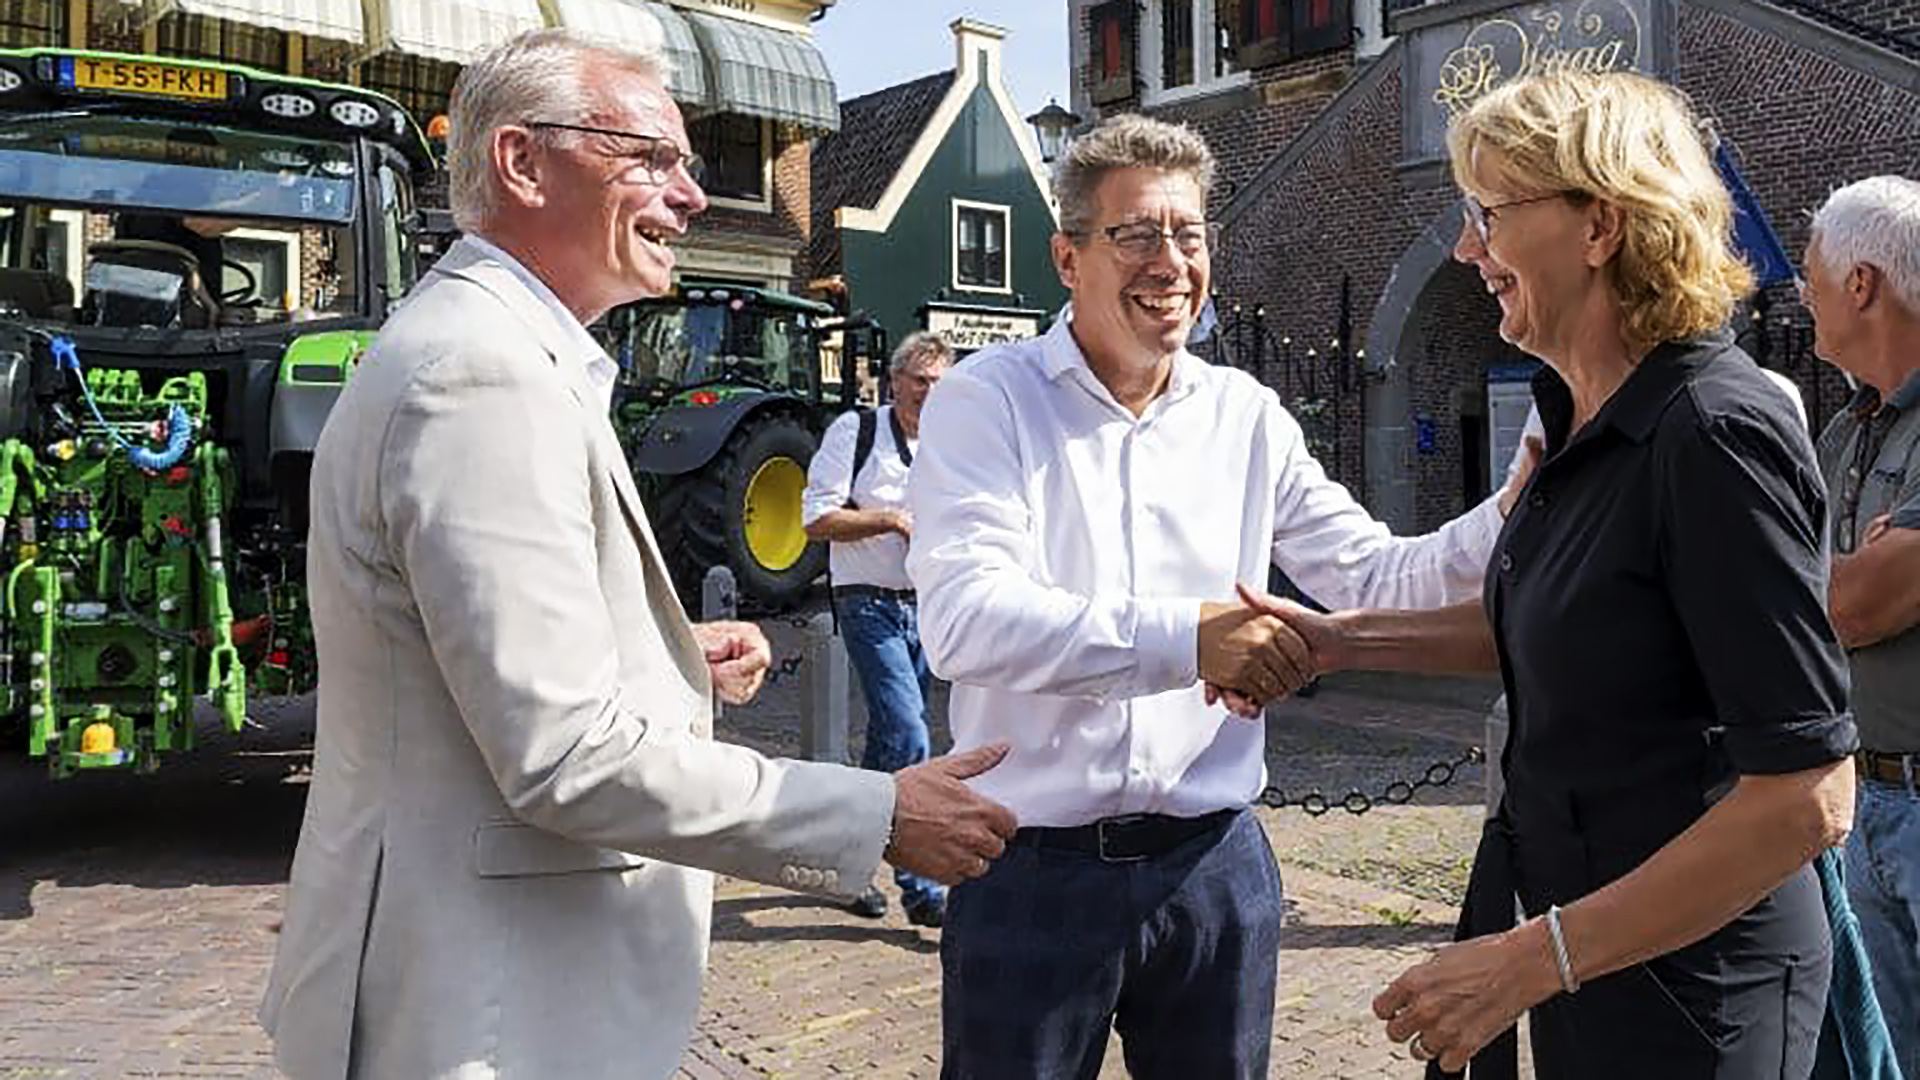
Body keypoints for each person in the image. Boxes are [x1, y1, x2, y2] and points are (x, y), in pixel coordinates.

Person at [257, 27, 1017, 1080]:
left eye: (693, 167)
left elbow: (454, 667)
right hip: (488, 1013)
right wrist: (879, 813)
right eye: (651, 158)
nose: (692, 196)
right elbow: (567, 760)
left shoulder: (493, 356)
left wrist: (652, 653)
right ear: (522, 163)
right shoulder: (481, 380)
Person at [1239, 71, 1857, 1078]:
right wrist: (1337, 642)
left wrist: (1532, 960)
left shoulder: (1712, 432)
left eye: (1488, 212)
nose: (1466, 248)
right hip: (1593, 955)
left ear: (1601, 223)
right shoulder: (1579, 420)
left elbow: (1806, 797)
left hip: (1696, 991)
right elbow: (1552, 619)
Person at [906, 113, 1534, 1080]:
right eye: (1137, 235)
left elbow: (1374, 574)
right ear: (1066, 258)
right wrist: (1196, 639)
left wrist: (1519, 501)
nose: (1170, 262)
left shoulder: (1244, 413)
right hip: (1030, 867)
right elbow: (968, 619)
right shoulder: (987, 400)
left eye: (1190, 235)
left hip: (1213, 865)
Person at [1802, 174, 1920, 1080]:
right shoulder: (1848, 432)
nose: (1798, 294)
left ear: (1862, 284)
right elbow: (1807, 589)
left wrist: (1836, 582)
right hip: (1863, 798)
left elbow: (1850, 606)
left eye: (1810, 274)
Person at [801, 330, 954, 926]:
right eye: (919, 381)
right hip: (867, 603)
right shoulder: (856, 432)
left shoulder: (950, 443)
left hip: (926, 606)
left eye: (940, 384)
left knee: (888, 745)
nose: (928, 394)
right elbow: (816, 519)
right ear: (895, 382)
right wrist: (888, 519)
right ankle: (919, 889)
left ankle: (846, 862)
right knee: (911, 734)